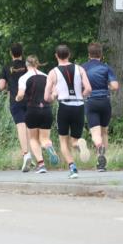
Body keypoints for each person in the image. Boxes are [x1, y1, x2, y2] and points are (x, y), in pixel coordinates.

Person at [44, 45, 92, 179]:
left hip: (64, 106)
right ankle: (78, 144)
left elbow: (46, 97)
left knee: (63, 142)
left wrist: (54, 95)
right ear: (69, 55)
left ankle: (73, 167)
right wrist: (81, 95)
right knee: (74, 140)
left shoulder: (53, 72)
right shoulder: (80, 69)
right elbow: (88, 89)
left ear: (56, 56)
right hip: (79, 105)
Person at [82, 42, 119, 172]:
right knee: (104, 132)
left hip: (91, 101)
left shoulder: (83, 68)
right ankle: (102, 160)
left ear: (89, 55)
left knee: (95, 133)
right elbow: (115, 86)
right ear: (101, 55)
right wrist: (106, 86)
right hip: (105, 101)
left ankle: (99, 148)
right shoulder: (106, 68)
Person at [16, 56, 57, 173]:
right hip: (46, 110)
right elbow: (54, 93)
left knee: (33, 139)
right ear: (37, 64)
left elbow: (20, 94)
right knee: (44, 138)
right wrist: (51, 98)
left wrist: (17, 98)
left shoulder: (24, 78)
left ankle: (41, 164)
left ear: (26, 65)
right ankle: (48, 146)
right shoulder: (46, 76)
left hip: (32, 110)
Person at [0, 43, 32, 172]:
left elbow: (1, 86)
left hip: (15, 100)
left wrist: (7, 87)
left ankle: (26, 154)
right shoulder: (27, 66)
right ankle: (33, 154)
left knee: (21, 126)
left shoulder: (7, 67)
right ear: (21, 53)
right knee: (29, 126)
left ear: (11, 53)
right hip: (29, 99)